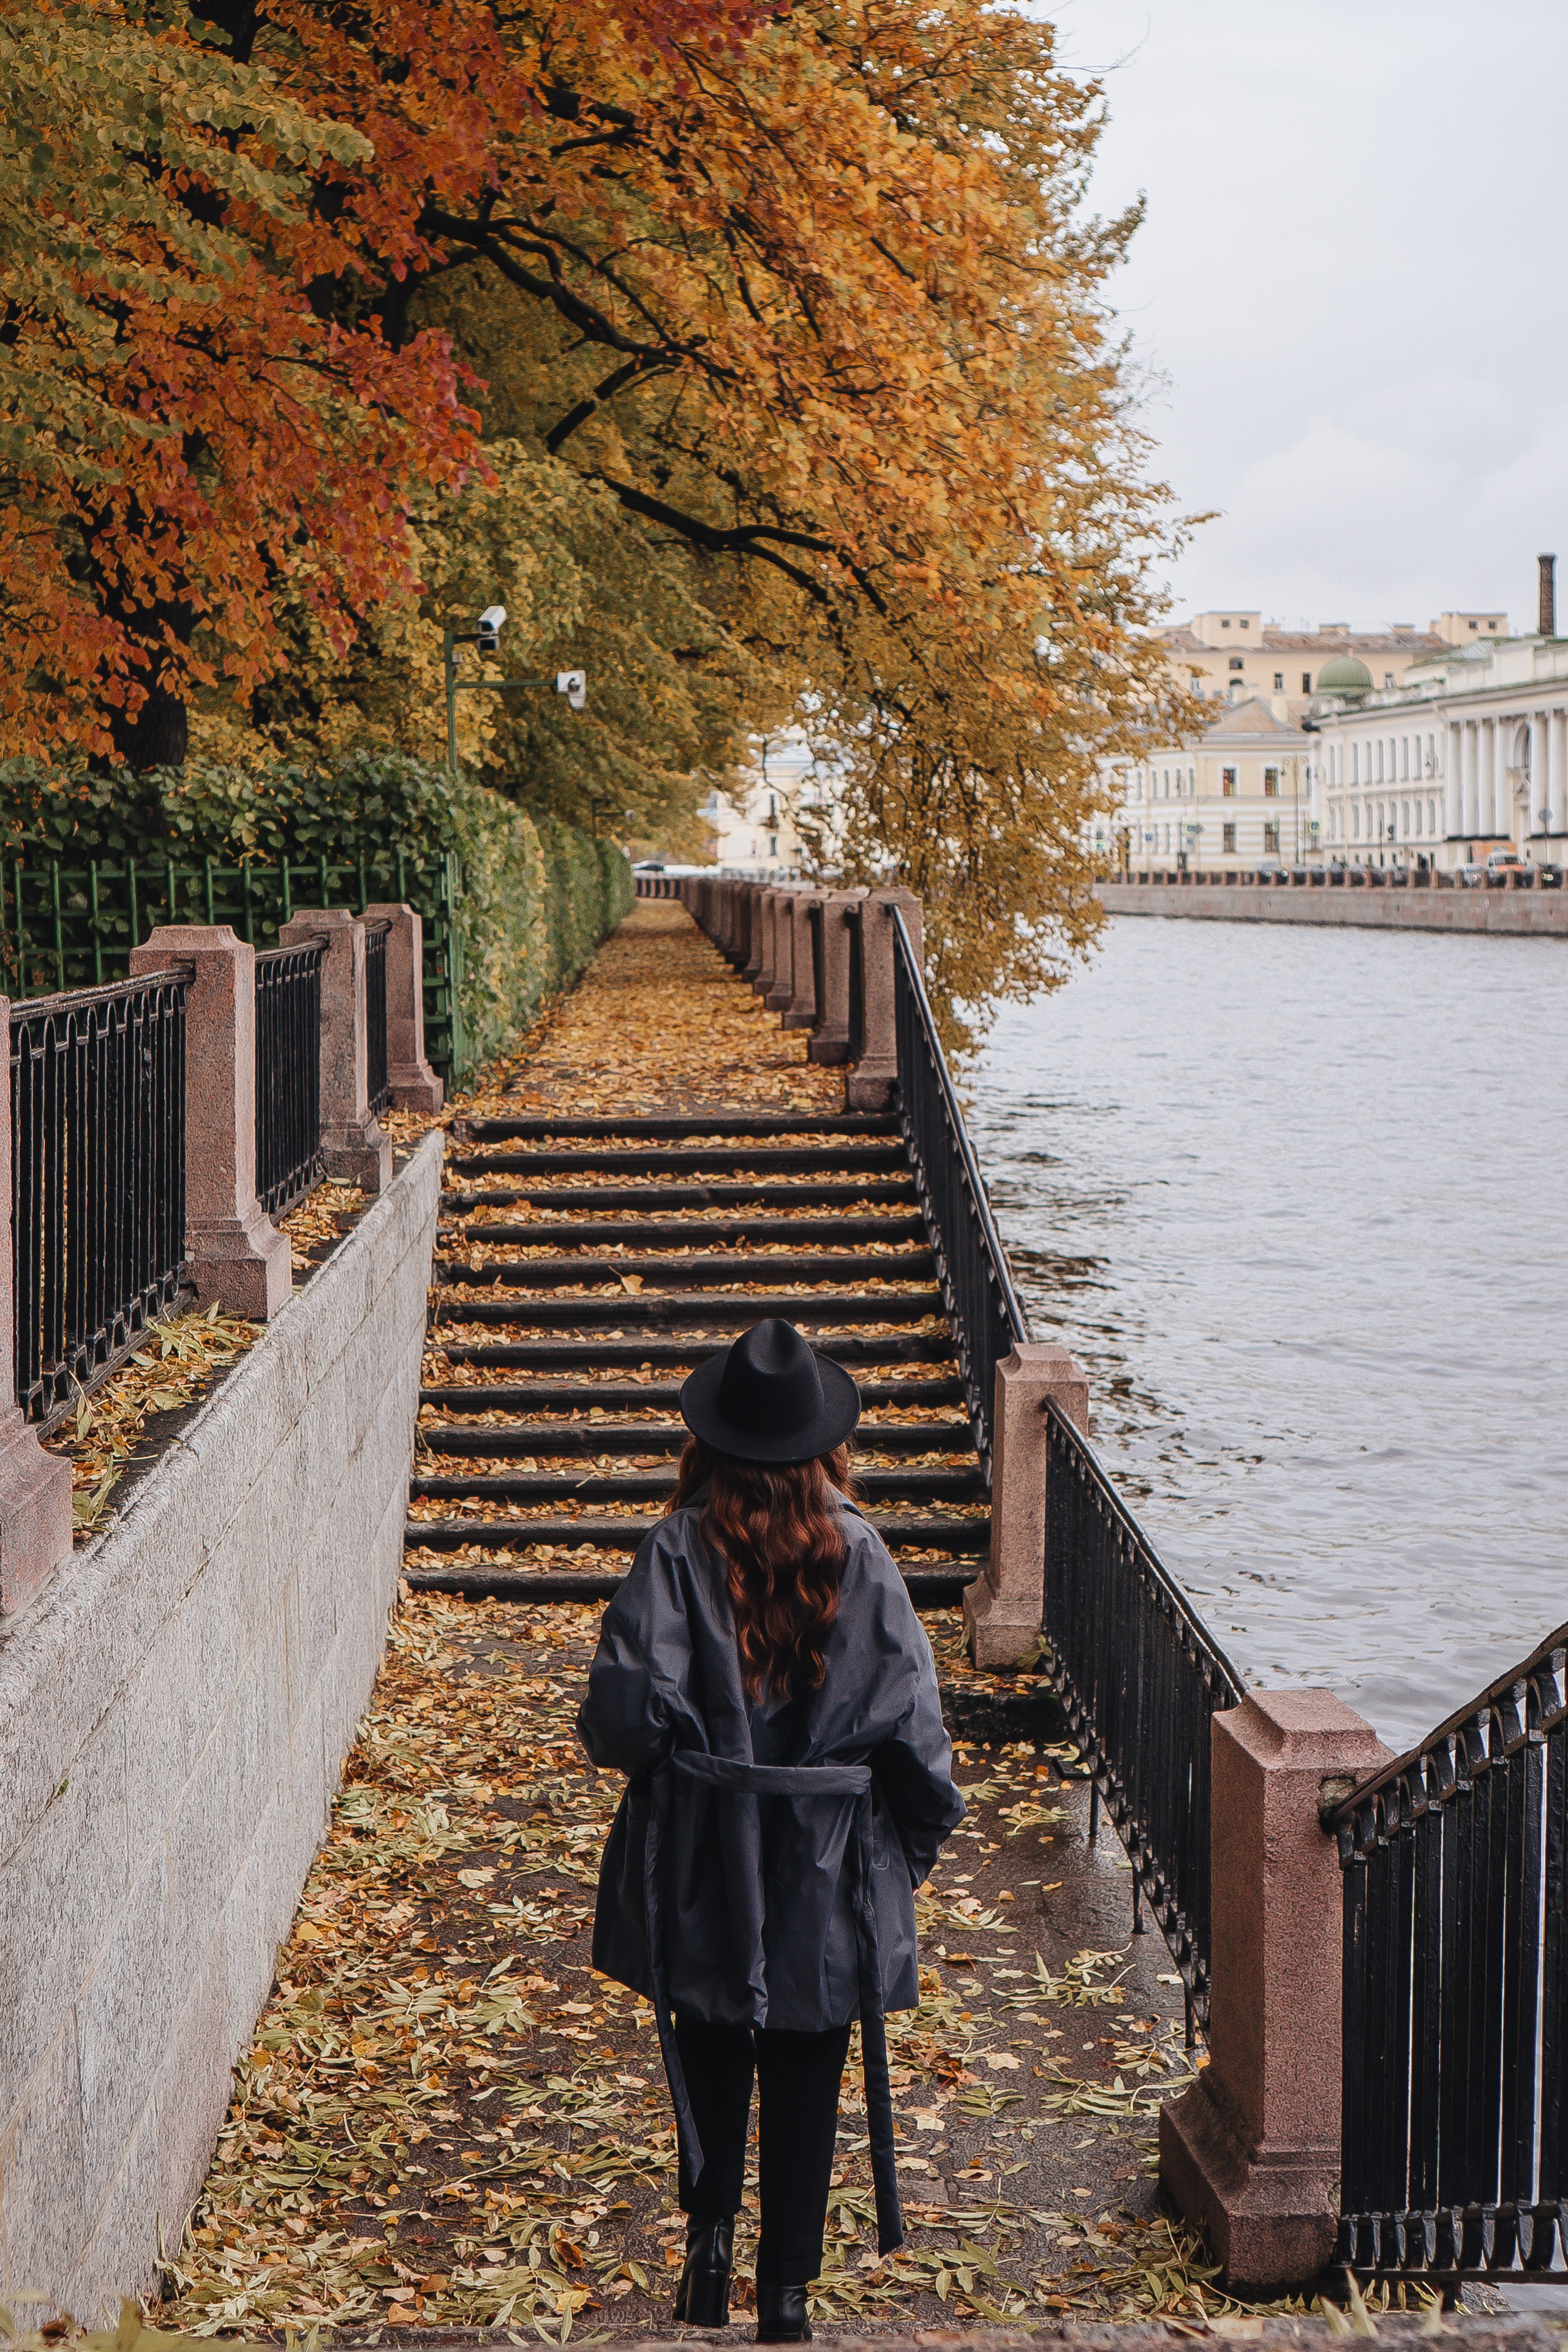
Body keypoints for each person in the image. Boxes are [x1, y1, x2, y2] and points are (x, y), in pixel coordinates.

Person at [576, 1317, 965, 2340]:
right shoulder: (863, 1554)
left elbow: (619, 1716)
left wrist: (682, 1783)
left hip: (710, 1852)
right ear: (822, 1444)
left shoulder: (675, 1548)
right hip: (829, 1862)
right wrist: (900, 1856)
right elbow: (916, 1735)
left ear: (712, 1441)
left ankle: (708, 2262)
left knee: (710, 2046)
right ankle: (785, 2302)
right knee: (807, 2073)